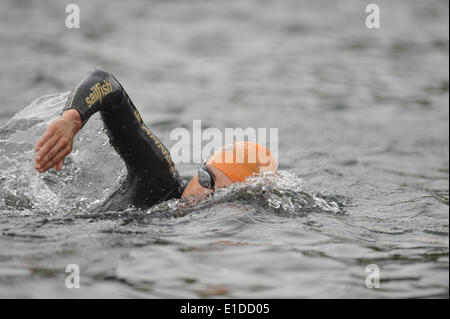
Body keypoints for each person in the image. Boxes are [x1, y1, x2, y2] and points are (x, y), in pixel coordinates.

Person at [33, 68, 276, 212]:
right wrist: (72, 118)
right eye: (204, 178)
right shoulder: (158, 180)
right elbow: (105, 82)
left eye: (219, 198)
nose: (202, 195)